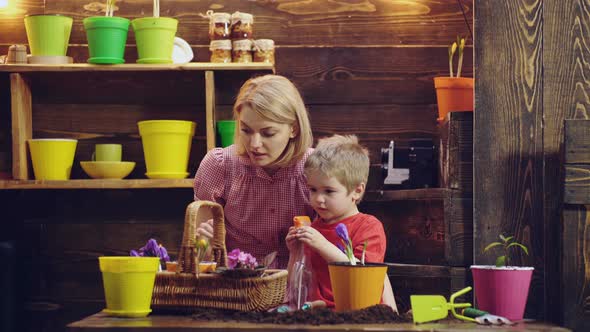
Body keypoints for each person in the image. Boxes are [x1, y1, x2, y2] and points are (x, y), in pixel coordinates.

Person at [193, 74, 315, 268]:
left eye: (268, 133)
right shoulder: (219, 165)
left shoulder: (315, 167)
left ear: (294, 129)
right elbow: (201, 253)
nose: (254, 144)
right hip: (236, 286)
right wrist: (203, 244)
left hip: (301, 283)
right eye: (246, 130)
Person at [286, 134, 397, 311]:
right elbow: (295, 284)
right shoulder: (314, 228)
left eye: (329, 191)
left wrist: (321, 244)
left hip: (360, 310)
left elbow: (362, 274)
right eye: (313, 189)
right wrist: (294, 253)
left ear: (357, 191)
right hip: (319, 310)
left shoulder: (368, 227)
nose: (318, 199)